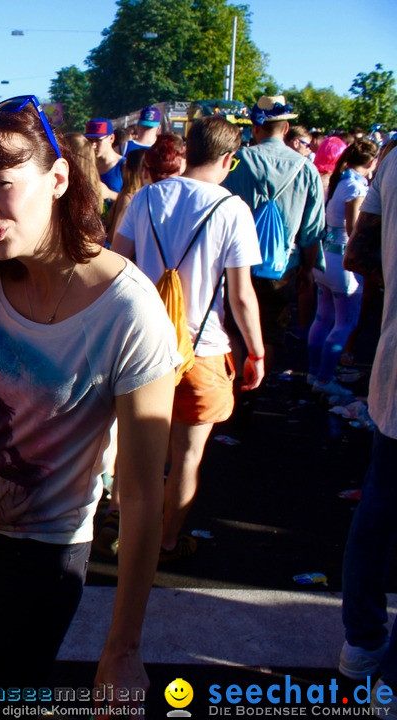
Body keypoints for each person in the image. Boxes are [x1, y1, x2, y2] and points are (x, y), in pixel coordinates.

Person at [0, 95, 177, 705]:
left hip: (44, 551)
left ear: (58, 178)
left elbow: (142, 495)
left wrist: (122, 651)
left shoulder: (129, 313)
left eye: (2, 185)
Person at [111, 115, 265, 563]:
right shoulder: (233, 210)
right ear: (228, 159)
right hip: (204, 349)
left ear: (189, 148)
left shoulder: (147, 198)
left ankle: (120, 526)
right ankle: (166, 541)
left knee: (135, 448)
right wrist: (254, 350)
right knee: (187, 457)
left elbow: (117, 265)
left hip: (142, 344)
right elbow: (241, 296)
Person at [339, 141, 397, 713]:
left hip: (394, 371)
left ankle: (362, 643)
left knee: (379, 507)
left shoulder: (394, 158)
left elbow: (358, 254)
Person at [222, 95, 326, 360]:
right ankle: (256, 385)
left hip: (237, 263)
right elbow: (312, 230)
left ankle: (235, 391)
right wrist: (308, 269)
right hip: (283, 267)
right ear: (286, 129)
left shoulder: (236, 162)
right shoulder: (306, 169)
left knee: (234, 327)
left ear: (255, 128)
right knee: (269, 332)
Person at [307, 138, 379, 395]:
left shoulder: (339, 181)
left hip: (326, 259)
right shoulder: (354, 187)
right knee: (344, 323)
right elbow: (354, 229)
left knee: (323, 317)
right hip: (342, 264)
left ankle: (315, 373)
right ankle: (324, 380)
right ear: (371, 162)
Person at [86, 117, 125, 194]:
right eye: (90, 140)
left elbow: (135, 200)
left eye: (98, 140)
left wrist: (110, 194)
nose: (93, 145)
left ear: (111, 138)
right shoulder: (86, 164)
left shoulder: (124, 166)